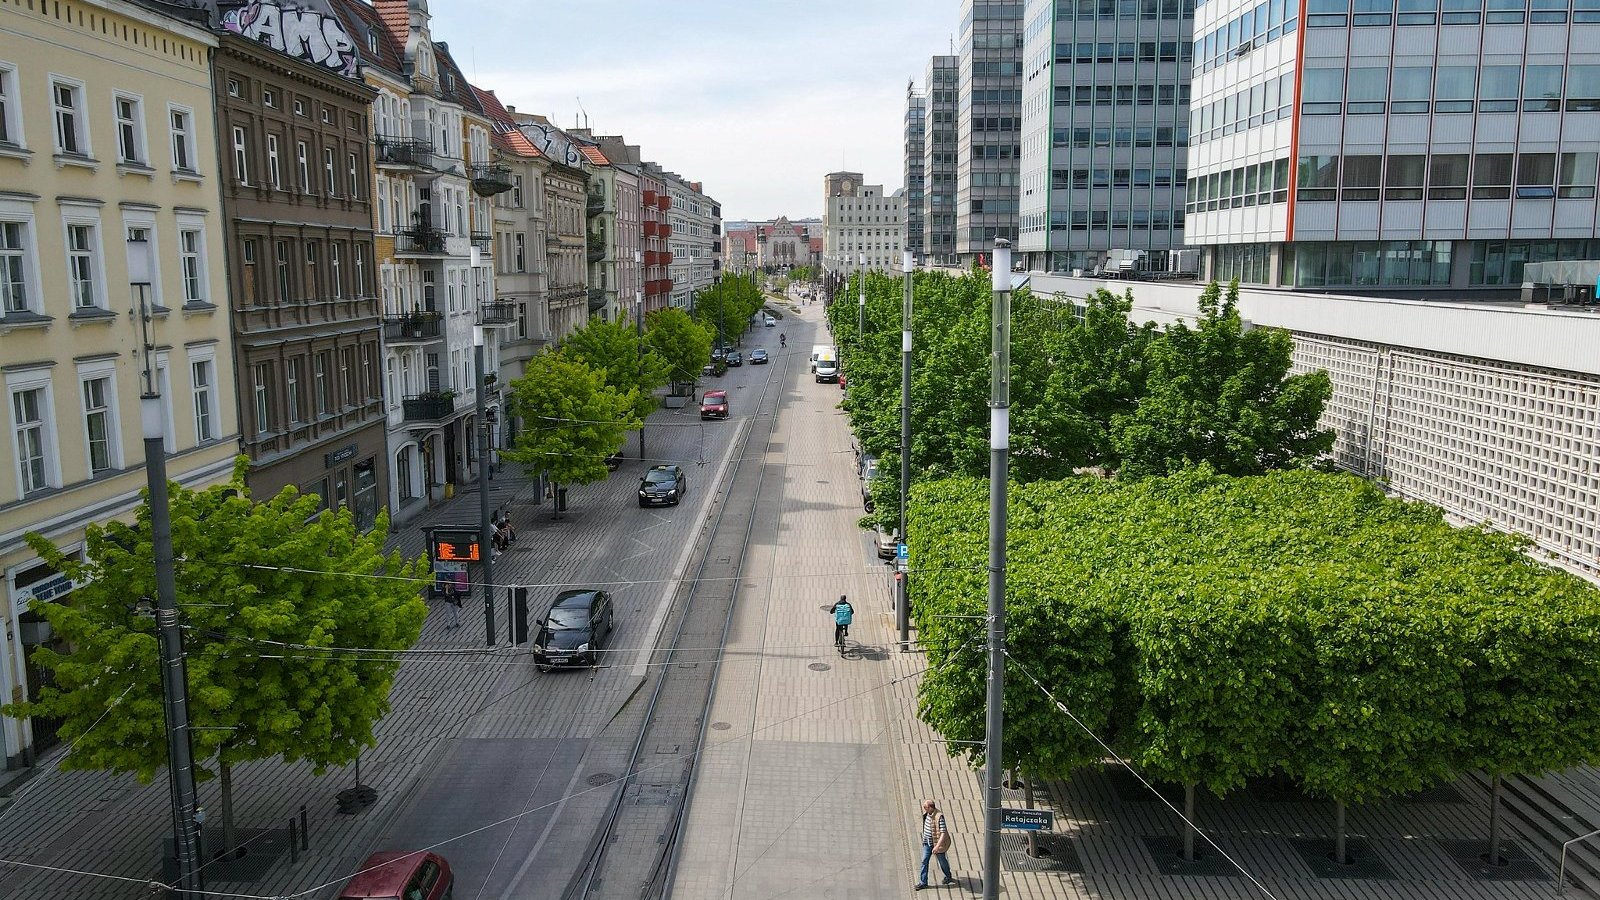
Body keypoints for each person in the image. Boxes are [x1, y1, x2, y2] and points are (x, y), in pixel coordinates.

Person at [915, 799, 955, 890]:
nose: (924, 808)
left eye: (925, 807)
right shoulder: (927, 815)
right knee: (924, 861)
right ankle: (923, 882)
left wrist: (937, 846)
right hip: (927, 843)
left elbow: (943, 832)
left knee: (942, 861)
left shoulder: (939, 817)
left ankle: (948, 876)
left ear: (930, 807)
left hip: (936, 843)